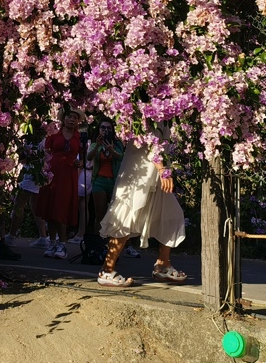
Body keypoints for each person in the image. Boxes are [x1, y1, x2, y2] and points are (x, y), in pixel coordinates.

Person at [97, 126, 186, 287]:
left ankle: (163, 264)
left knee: (172, 215)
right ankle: (107, 270)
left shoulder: (168, 112)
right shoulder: (145, 109)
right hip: (139, 174)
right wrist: (162, 170)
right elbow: (150, 142)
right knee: (126, 218)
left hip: (155, 175)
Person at [35, 107, 84, 259]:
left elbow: (84, 157)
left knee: (62, 208)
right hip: (52, 173)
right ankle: (52, 242)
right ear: (64, 119)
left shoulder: (79, 137)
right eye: (69, 116)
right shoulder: (54, 134)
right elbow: (46, 152)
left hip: (68, 175)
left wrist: (80, 163)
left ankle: (62, 244)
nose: (72, 120)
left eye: (75, 118)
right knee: (51, 208)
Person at [89, 118, 124, 238]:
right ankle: (98, 241)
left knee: (117, 214)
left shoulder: (117, 143)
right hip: (99, 181)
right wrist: (97, 146)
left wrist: (112, 150)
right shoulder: (95, 143)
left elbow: (122, 158)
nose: (105, 130)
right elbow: (88, 157)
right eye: (103, 128)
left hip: (115, 182)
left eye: (108, 128)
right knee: (100, 214)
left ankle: (118, 242)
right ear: (99, 130)